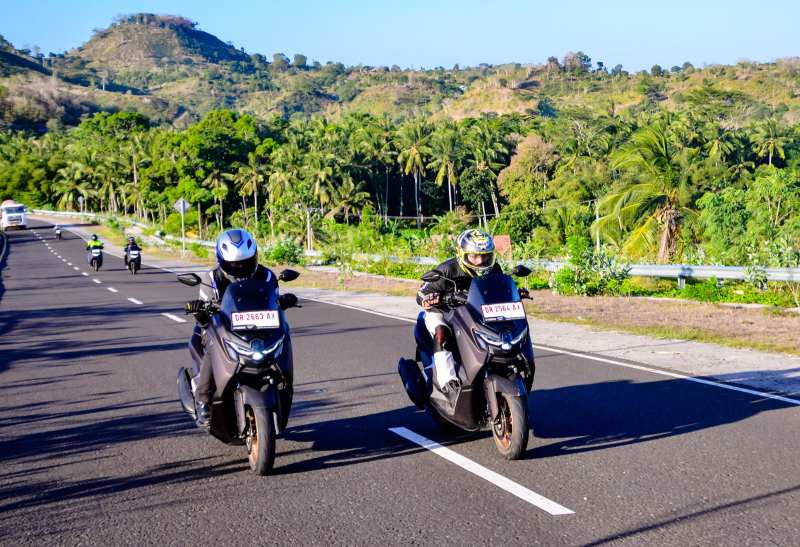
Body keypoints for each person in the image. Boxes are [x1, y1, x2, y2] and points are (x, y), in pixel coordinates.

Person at [185, 229, 298, 426]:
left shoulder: (267, 276)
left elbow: (273, 303)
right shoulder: (211, 278)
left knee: (284, 333)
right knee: (212, 343)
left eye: (245, 262)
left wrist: (285, 301)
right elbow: (204, 316)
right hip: (221, 327)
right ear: (221, 260)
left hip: (260, 328)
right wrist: (198, 308)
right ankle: (203, 401)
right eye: (234, 264)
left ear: (254, 257)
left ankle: (285, 386)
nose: (240, 267)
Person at [416, 229, 529, 396]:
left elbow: (499, 288)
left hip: (474, 311)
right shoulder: (447, 269)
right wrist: (429, 298)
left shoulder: (494, 268)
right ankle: (448, 382)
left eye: (485, 256)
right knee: (441, 331)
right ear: (462, 254)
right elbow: (421, 293)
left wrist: (514, 292)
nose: (480, 261)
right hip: (443, 311)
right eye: (474, 256)